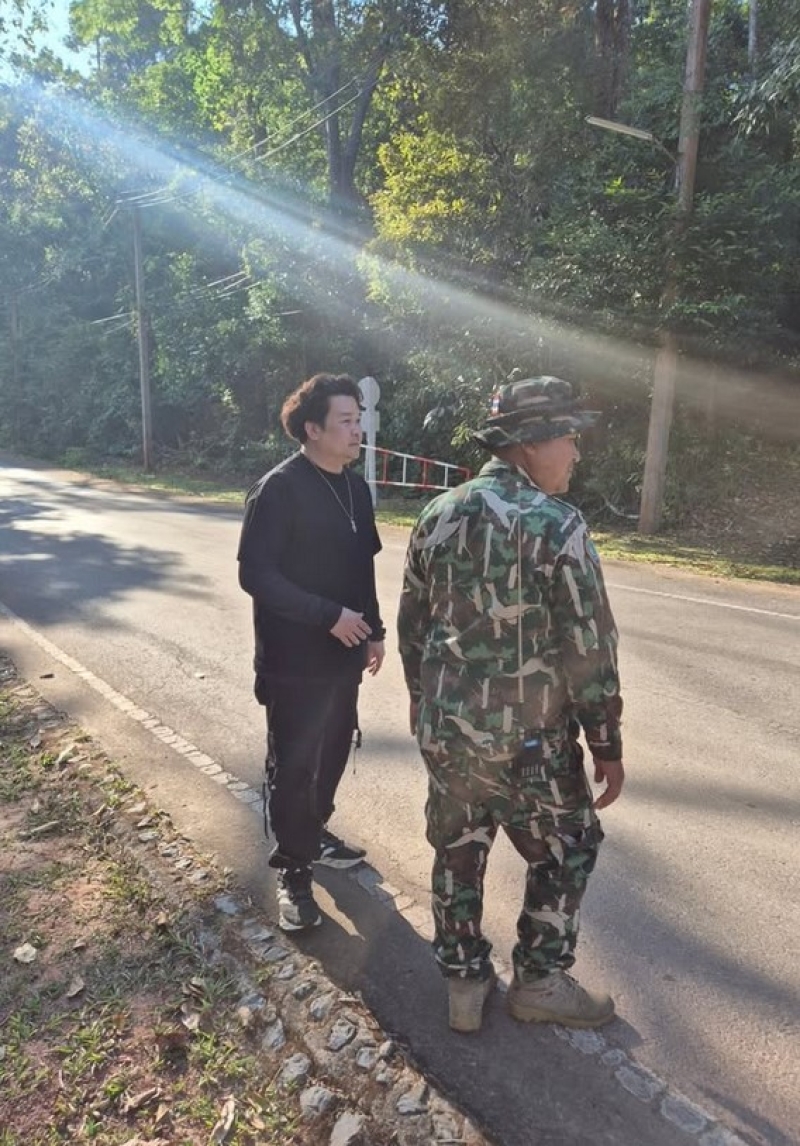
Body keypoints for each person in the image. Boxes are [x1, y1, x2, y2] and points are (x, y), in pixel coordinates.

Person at [397, 377, 624, 1033]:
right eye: (568, 438)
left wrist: (421, 703)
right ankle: (540, 981)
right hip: (531, 744)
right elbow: (590, 649)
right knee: (569, 846)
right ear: (531, 442)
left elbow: (413, 625)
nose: (575, 453)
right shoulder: (559, 525)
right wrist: (606, 744)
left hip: (448, 730)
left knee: (457, 851)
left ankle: (463, 985)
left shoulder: (437, 513)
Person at [238, 373, 386, 932]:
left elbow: (362, 568)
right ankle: (293, 872)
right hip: (292, 661)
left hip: (343, 655)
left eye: (358, 420)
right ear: (312, 429)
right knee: (295, 764)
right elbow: (256, 575)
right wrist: (328, 616)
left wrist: (374, 630)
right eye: (346, 421)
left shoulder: (356, 489)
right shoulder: (278, 489)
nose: (357, 431)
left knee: (333, 751)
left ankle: (313, 831)